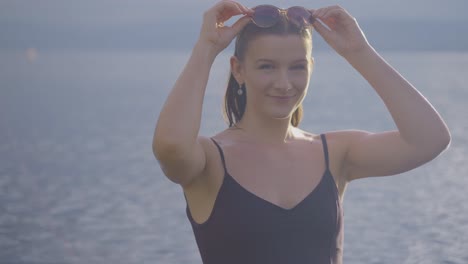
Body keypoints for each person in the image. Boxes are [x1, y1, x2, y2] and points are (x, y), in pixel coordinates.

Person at [152, 1, 451, 263]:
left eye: (297, 67)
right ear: (239, 70)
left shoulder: (334, 152)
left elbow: (429, 139)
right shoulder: (210, 160)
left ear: (311, 68)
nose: (284, 83)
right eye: (267, 67)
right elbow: (171, 147)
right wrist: (205, 49)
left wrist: (359, 52)